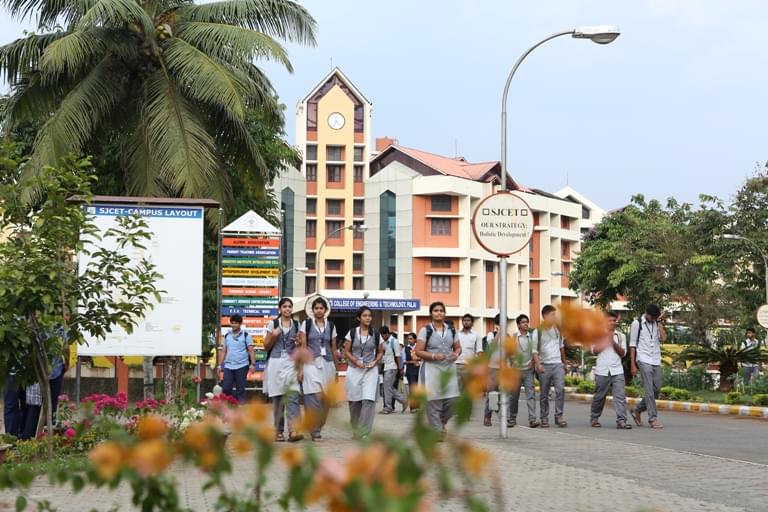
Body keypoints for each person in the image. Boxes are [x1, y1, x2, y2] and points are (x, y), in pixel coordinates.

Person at [415, 302, 461, 438]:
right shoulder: (425, 330)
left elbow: (458, 347)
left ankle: (440, 423)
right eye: (436, 310)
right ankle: (437, 431)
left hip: (448, 370)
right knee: (433, 402)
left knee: (452, 402)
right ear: (431, 314)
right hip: (431, 370)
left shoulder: (452, 330)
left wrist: (456, 354)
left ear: (445, 313)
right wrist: (434, 356)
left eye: (441, 310)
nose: (439, 313)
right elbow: (418, 351)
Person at [297, 296, 338, 442]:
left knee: (326, 400)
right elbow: (303, 347)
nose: (319, 310)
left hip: (327, 364)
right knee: (312, 396)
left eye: (321, 308)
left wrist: (336, 369)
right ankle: (314, 431)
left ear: (325, 310)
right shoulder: (306, 324)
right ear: (312, 310)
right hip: (311, 364)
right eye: (316, 308)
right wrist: (301, 369)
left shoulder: (331, 326)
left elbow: (333, 349)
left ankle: (318, 424)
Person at [263, 298, 301, 442]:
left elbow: (299, 346)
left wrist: (298, 343)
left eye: (290, 307)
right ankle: (278, 431)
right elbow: (266, 346)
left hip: (291, 363)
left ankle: (293, 431)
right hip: (276, 362)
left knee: (293, 395)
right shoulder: (273, 323)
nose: (287, 309)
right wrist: (273, 336)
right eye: (284, 306)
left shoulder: (296, 324)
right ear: (280, 309)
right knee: (278, 398)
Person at [344, 306, 384, 439]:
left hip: (370, 370)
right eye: (365, 315)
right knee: (355, 402)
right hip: (354, 370)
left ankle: (364, 432)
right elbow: (346, 351)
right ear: (359, 318)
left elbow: (380, 352)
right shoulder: (352, 333)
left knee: (368, 400)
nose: (368, 318)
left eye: (369, 316)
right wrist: (356, 361)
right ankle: (356, 428)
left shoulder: (376, 334)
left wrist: (375, 361)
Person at [590, 311, 632, 429]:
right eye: (610, 321)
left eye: (614, 321)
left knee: (620, 396)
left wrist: (612, 342)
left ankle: (621, 420)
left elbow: (623, 353)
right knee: (599, 396)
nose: (613, 323)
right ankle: (594, 417)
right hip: (602, 370)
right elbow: (594, 350)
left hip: (617, 370)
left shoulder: (620, 336)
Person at [629, 304, 667, 429]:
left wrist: (659, 322)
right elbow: (633, 345)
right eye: (652, 317)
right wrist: (633, 364)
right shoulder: (637, 323)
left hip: (655, 359)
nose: (653, 319)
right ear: (647, 314)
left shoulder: (656, 322)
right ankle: (653, 419)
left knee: (656, 389)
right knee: (649, 390)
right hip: (643, 358)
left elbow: (664, 338)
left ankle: (638, 409)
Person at [532, 305, 568, 428]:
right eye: (552, 315)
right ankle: (544, 418)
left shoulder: (557, 329)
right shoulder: (538, 331)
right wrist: (538, 365)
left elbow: (561, 346)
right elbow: (534, 351)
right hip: (544, 365)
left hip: (558, 364)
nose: (555, 317)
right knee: (544, 394)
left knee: (560, 389)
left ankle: (559, 416)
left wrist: (564, 363)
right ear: (545, 316)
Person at [509, 314, 540, 428]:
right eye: (523, 322)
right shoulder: (514, 337)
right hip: (516, 370)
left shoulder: (532, 337)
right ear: (518, 325)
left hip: (528, 370)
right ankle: (512, 418)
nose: (526, 324)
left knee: (530, 395)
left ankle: (532, 419)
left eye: (527, 322)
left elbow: (536, 350)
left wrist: (533, 361)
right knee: (513, 396)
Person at [218, 314, 256, 405]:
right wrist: (219, 365)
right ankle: (228, 409)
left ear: (240, 324)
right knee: (226, 388)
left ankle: (240, 411)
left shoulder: (246, 335)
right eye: (232, 323)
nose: (234, 325)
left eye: (236, 323)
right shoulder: (227, 336)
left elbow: (251, 350)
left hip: (242, 366)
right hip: (228, 366)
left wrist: (253, 364)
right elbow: (223, 351)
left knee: (240, 389)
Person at [380, 326, 407, 414]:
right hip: (386, 367)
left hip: (392, 367)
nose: (382, 337)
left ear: (387, 333)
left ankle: (388, 407)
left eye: (383, 335)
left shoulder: (393, 342)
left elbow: (398, 356)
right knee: (388, 388)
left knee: (387, 388)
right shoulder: (384, 343)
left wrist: (400, 369)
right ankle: (403, 400)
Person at [456, 314, 483, 392]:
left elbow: (479, 351)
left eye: (468, 320)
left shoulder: (477, 335)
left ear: (472, 323)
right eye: (464, 320)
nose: (466, 322)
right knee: (457, 391)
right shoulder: (456, 334)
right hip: (456, 365)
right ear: (462, 322)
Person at [483, 314, 501, 427]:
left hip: (504, 368)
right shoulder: (491, 334)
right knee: (492, 394)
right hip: (493, 367)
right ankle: (487, 416)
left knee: (503, 395)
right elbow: (492, 346)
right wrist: (499, 333)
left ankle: (504, 417)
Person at [402, 332, 421, 412]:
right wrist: (411, 362)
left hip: (419, 370)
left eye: (411, 339)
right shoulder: (405, 349)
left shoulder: (419, 348)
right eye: (408, 339)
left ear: (415, 339)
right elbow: (404, 361)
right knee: (412, 389)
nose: (409, 340)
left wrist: (419, 360)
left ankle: (418, 406)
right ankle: (413, 407)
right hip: (410, 371)